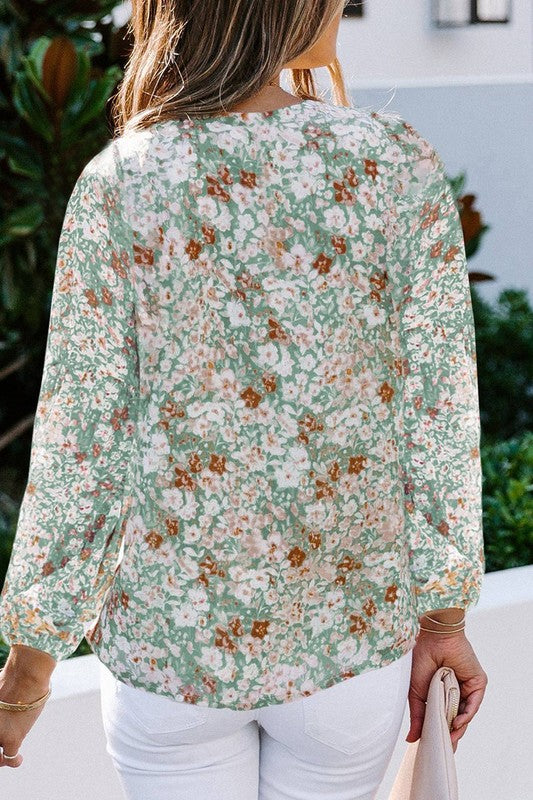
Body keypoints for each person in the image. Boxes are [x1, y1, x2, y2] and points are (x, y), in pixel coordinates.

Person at [0, 0, 488, 797]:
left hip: (168, 657)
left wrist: (27, 673)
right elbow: (437, 414)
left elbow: (82, 447)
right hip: (345, 649)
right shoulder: (391, 161)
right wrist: (444, 616)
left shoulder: (123, 178)